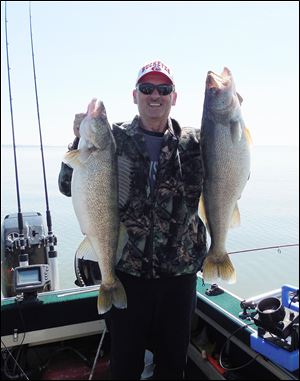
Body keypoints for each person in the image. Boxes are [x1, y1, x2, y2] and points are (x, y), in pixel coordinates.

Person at [58, 60, 207, 380]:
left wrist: (230, 113)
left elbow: (231, 165)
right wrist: (76, 142)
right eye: (147, 88)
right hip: (127, 275)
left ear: (174, 97)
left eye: (163, 89)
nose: (155, 95)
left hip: (179, 278)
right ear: (135, 94)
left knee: (172, 366)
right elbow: (66, 185)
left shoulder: (194, 143)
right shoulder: (111, 139)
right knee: (125, 366)